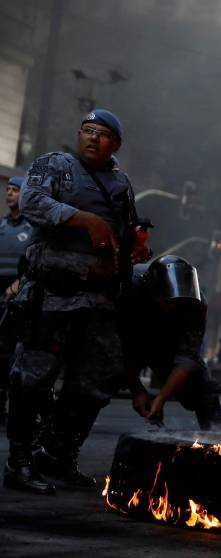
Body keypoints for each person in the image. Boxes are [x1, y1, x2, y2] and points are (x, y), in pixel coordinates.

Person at [5, 108, 150, 495]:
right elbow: (33, 204)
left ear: (115, 144)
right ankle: (18, 463)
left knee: (94, 384)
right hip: (52, 293)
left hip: (98, 301)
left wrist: (135, 246)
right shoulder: (55, 165)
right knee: (32, 379)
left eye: (101, 134)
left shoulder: (121, 183)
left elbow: (127, 227)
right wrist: (84, 220)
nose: (92, 138)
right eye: (87, 131)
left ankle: (56, 455)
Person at [121, 256, 221, 431]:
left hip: (169, 346)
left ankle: (216, 442)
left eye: (177, 302)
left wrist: (161, 397)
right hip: (130, 343)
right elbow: (119, 344)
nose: (173, 306)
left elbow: (187, 357)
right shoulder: (129, 291)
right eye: (167, 301)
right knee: (94, 380)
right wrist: (137, 389)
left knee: (206, 390)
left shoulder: (196, 304)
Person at [0, 176, 31, 424]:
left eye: (15, 190)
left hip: (20, 295)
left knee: (10, 352)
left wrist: (19, 284)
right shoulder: (1, 226)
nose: (9, 194)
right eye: (8, 190)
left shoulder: (32, 227)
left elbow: (35, 262)